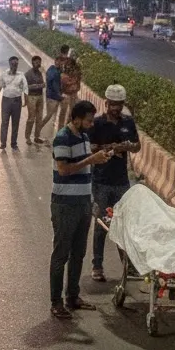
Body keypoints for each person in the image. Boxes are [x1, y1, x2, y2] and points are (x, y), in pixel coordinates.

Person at [50, 100, 112, 318]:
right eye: (87, 120)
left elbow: (85, 168)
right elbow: (64, 169)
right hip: (65, 205)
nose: (91, 124)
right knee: (61, 254)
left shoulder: (84, 138)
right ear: (76, 118)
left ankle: (72, 296)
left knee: (78, 253)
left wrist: (98, 159)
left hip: (84, 203)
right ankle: (56, 302)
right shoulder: (62, 138)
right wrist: (91, 160)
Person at [88, 85, 140, 282]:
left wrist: (126, 146)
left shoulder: (128, 122)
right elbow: (90, 147)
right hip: (101, 180)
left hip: (121, 181)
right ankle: (97, 265)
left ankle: (128, 265)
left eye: (119, 105)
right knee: (102, 223)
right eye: (113, 105)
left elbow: (137, 146)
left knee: (123, 223)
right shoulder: (97, 124)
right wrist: (108, 148)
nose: (116, 109)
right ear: (106, 103)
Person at [0, 55, 29, 151]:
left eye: (16, 64)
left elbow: (25, 88)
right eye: (13, 63)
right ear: (9, 64)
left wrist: (26, 100)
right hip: (6, 101)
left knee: (15, 123)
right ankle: (3, 143)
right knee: (4, 122)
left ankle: (14, 144)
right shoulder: (4, 74)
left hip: (17, 101)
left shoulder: (21, 75)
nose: (14, 65)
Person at [22, 54, 46, 145]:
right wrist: (25, 100)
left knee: (39, 118)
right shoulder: (28, 74)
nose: (38, 64)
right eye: (36, 62)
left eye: (39, 62)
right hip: (31, 97)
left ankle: (37, 136)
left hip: (40, 96)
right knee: (31, 118)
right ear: (32, 63)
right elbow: (24, 87)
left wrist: (41, 85)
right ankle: (27, 137)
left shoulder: (40, 73)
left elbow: (43, 84)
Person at [41, 48, 64, 135]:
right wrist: (60, 97)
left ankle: (52, 133)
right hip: (52, 97)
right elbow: (55, 87)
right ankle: (38, 129)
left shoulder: (53, 69)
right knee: (49, 115)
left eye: (61, 61)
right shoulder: (54, 72)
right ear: (55, 61)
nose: (59, 63)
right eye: (58, 61)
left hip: (52, 96)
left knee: (53, 116)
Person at [57, 56, 82, 130]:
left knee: (71, 114)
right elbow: (64, 83)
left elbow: (78, 83)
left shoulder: (76, 73)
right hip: (66, 95)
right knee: (63, 113)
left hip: (73, 95)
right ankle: (60, 130)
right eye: (67, 64)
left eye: (70, 64)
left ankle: (67, 130)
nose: (68, 66)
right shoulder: (63, 74)